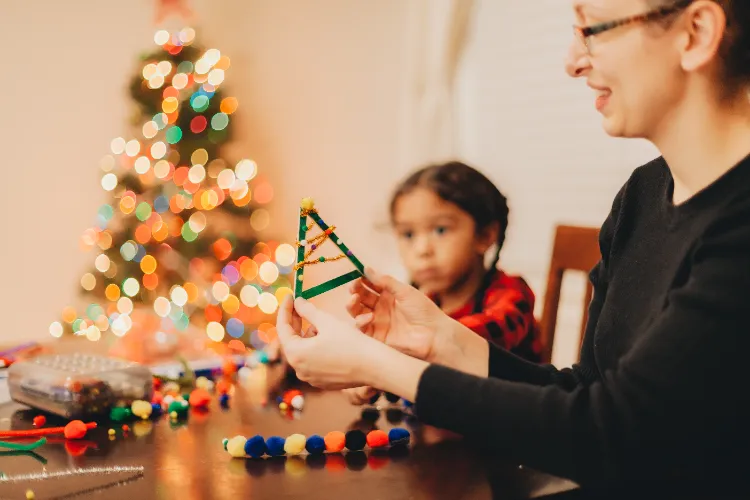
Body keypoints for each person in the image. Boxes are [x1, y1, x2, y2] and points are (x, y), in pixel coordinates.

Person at [277, 0, 750, 493]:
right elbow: (589, 392)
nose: (573, 61)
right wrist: (443, 341)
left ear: (695, 33)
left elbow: (612, 435)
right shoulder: (642, 195)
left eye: (592, 30)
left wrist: (378, 366)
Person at [345, 161, 542, 405]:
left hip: (513, 427)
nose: (422, 250)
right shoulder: (428, 301)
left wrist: (387, 357)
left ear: (484, 236)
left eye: (440, 230)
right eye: (408, 234)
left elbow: (465, 343)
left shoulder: (511, 293)